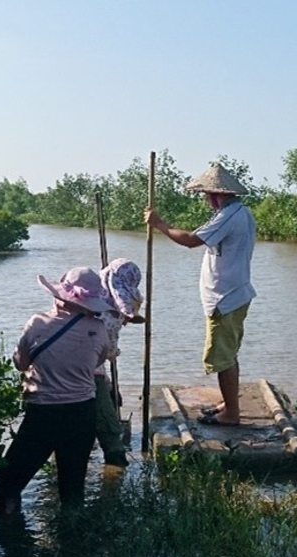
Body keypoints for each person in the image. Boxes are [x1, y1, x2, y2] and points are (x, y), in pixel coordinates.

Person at [144, 163, 256, 426]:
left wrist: (160, 224)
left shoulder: (230, 215)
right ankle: (229, 404)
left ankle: (231, 414)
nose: (206, 200)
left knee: (221, 357)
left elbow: (191, 240)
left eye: (207, 195)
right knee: (229, 354)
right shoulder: (237, 213)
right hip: (233, 294)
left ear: (218, 194)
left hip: (226, 297)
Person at [0, 267, 111, 515]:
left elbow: (21, 364)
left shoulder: (37, 323)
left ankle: (10, 541)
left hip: (43, 414)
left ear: (61, 295)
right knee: (72, 490)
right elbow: (98, 361)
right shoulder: (100, 329)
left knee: (8, 481)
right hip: (82, 414)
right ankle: (72, 544)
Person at [95, 258, 145, 468]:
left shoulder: (90, 298)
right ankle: (114, 473)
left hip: (56, 374)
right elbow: (108, 353)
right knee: (110, 433)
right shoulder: (111, 317)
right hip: (86, 373)